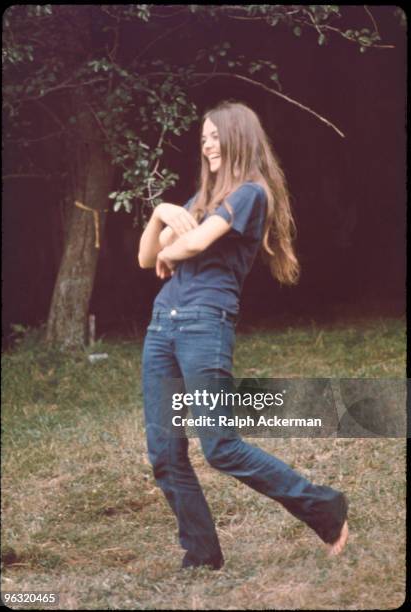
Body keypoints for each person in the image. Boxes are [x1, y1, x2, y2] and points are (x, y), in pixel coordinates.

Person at [138, 101, 348, 570]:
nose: (206, 143)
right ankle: (201, 554)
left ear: (238, 138)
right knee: (164, 454)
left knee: (220, 446)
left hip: (203, 327)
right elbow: (148, 256)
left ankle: (322, 506)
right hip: (161, 327)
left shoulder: (250, 193)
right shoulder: (201, 201)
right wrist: (161, 212)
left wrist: (179, 237)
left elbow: (187, 246)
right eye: (204, 136)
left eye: (215, 135)